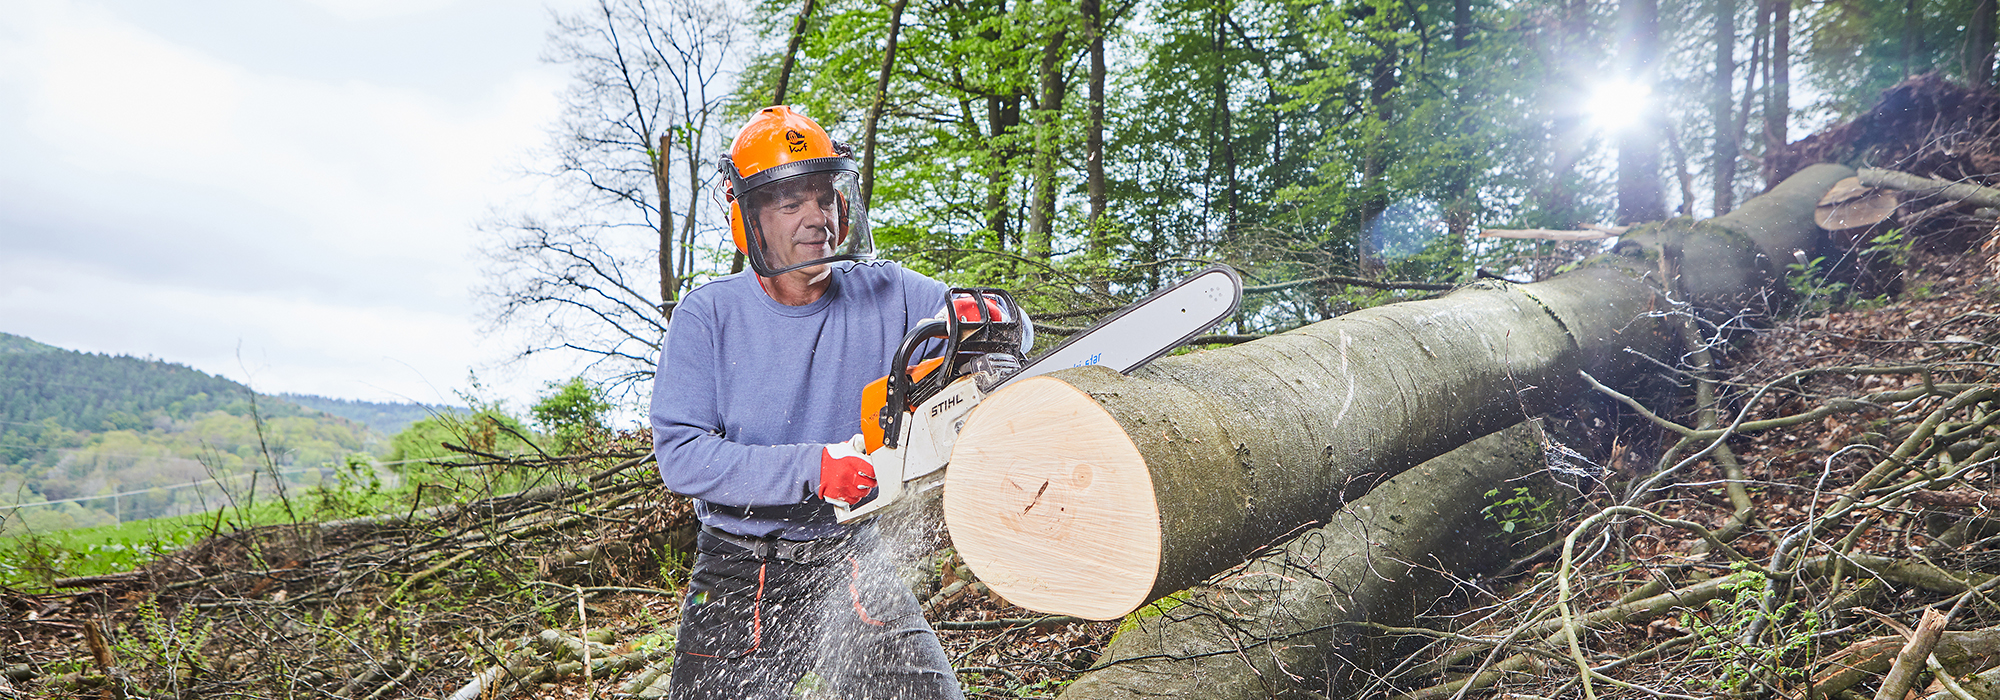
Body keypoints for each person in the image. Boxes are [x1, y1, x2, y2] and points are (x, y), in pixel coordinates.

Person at [649, 105, 965, 700]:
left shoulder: (887, 291)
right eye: (791, 203)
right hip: (743, 564)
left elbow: (985, 323)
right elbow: (683, 456)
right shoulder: (709, 317)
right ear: (751, 222)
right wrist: (814, 469)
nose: (816, 218)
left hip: (852, 555)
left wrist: (992, 326)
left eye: (824, 198)